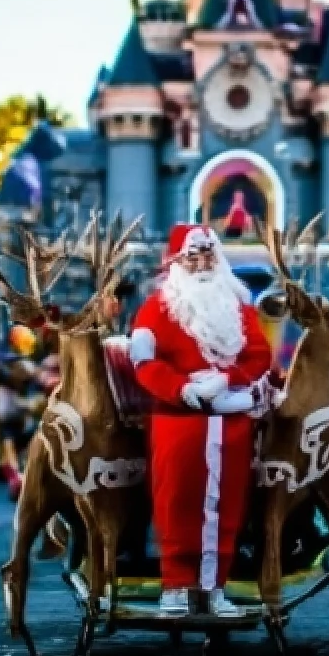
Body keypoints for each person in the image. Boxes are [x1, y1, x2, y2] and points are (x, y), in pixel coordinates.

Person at [130, 224, 274, 617]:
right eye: (193, 256)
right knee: (177, 502)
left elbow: (260, 356)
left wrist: (227, 378)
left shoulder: (239, 306)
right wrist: (183, 390)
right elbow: (143, 361)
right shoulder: (156, 308)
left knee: (225, 506)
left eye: (208, 255)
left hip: (231, 421)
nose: (201, 263)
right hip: (180, 423)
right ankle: (175, 587)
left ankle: (214, 588)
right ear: (177, 263)